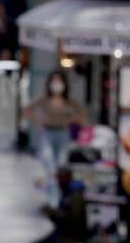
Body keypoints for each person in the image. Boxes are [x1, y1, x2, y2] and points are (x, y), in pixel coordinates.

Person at [23, 71, 87, 208]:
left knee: (60, 167)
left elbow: (82, 115)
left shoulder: (69, 101)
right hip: (48, 133)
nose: (57, 84)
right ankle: (53, 200)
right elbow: (27, 110)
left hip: (63, 134)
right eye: (54, 81)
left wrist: (71, 120)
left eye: (59, 81)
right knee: (50, 166)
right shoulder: (44, 100)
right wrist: (37, 121)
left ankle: (59, 199)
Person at [30, 168, 89, 243]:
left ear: (67, 178)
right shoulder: (67, 192)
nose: (58, 181)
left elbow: (73, 219)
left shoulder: (75, 196)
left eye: (60, 178)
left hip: (72, 237)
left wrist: (52, 212)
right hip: (63, 233)